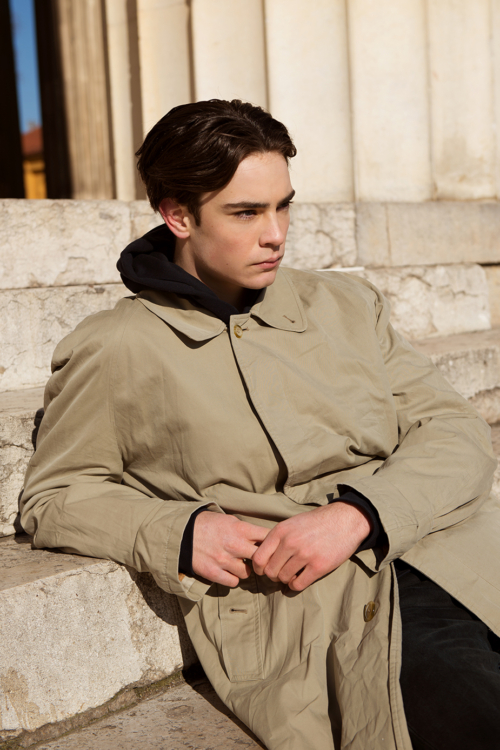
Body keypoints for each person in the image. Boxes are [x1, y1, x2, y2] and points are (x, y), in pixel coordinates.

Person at [21, 99, 500, 750]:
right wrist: (177, 531)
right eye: (246, 213)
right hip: (321, 609)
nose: (276, 233)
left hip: (452, 550)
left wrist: (359, 514)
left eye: (284, 206)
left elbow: (454, 428)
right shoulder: (118, 346)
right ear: (178, 215)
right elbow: (55, 495)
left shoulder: (346, 303)